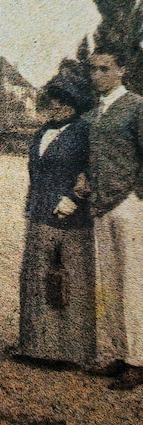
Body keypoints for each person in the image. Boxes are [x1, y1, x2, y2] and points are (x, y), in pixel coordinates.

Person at [18, 70, 96, 368]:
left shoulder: (85, 131)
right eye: (54, 97)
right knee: (36, 278)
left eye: (65, 99)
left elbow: (92, 171)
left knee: (70, 280)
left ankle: (71, 352)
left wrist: (75, 199)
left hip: (71, 218)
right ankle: (35, 347)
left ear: (76, 104)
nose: (57, 104)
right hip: (39, 213)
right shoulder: (41, 132)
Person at [84, 48, 143, 390]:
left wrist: (137, 194)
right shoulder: (94, 114)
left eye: (105, 68)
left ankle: (137, 359)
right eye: (92, 69)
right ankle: (118, 354)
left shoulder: (136, 106)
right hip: (101, 206)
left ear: (121, 70)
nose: (97, 75)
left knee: (134, 282)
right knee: (108, 282)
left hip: (130, 205)